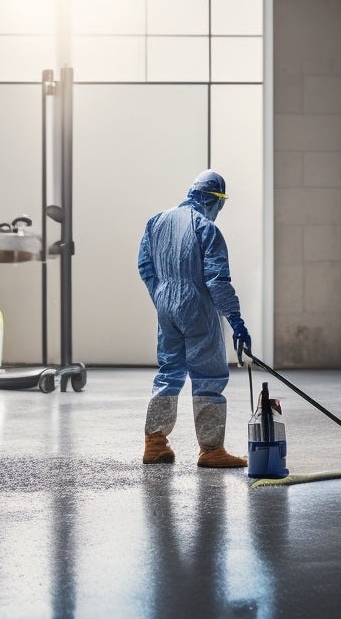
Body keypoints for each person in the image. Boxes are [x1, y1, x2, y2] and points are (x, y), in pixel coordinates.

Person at [138, 170, 251, 468]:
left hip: (166, 304)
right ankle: (212, 450)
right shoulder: (206, 228)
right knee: (208, 376)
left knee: (169, 372)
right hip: (196, 305)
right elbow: (217, 281)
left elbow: (144, 266)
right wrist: (236, 319)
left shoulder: (157, 222)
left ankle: (155, 444)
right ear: (213, 200)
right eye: (220, 204)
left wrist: (163, 295)